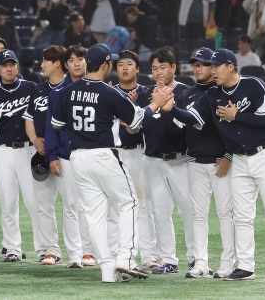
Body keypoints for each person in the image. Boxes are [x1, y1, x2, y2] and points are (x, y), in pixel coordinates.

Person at [165, 48, 265, 282]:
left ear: (231, 66)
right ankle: (245, 266)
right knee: (242, 216)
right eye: (211, 66)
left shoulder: (253, 85)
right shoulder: (212, 95)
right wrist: (171, 108)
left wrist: (237, 116)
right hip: (240, 160)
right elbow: (194, 118)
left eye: (216, 66)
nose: (212, 70)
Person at [52, 44, 164, 283]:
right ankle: (124, 256)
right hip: (103, 154)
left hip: (78, 158)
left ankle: (107, 270)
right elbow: (136, 120)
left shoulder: (67, 91)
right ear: (105, 65)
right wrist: (155, 104)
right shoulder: (109, 92)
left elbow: (56, 124)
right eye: (111, 62)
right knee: (129, 203)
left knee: (95, 216)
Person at [0, 49, 42, 263]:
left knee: (35, 202)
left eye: (12, 64)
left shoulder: (31, 88)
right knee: (8, 202)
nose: (9, 68)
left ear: (17, 66)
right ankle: (13, 248)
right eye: (5, 65)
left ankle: (44, 249)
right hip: (2, 151)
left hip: (28, 150)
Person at [24, 45, 87, 267]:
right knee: (45, 204)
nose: (41, 65)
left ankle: (85, 250)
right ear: (67, 63)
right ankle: (53, 250)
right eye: (73, 60)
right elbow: (36, 120)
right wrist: (40, 144)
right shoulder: (47, 91)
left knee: (79, 205)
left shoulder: (89, 88)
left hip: (79, 153)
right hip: (53, 152)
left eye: (45, 60)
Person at [176, 48, 235, 279]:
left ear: (213, 67)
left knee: (225, 214)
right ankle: (200, 262)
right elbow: (183, 124)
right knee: (197, 215)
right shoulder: (189, 93)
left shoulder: (222, 92)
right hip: (196, 161)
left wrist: (229, 156)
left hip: (220, 161)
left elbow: (233, 129)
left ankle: (228, 263)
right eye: (195, 64)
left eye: (202, 64)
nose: (197, 67)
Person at [139, 47, 193, 275]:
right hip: (153, 160)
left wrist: (170, 108)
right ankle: (169, 260)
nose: (159, 72)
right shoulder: (146, 94)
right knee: (160, 212)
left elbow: (187, 125)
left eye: (163, 67)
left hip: (181, 160)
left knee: (189, 211)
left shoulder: (186, 92)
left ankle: (196, 259)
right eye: (154, 68)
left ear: (173, 68)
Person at [111, 50, 159, 270]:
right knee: (115, 205)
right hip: (116, 153)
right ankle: (116, 252)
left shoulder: (148, 93)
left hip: (140, 152)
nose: (124, 68)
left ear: (138, 69)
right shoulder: (109, 93)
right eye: (120, 64)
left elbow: (153, 124)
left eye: (129, 64)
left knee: (143, 204)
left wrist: (137, 106)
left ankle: (149, 255)